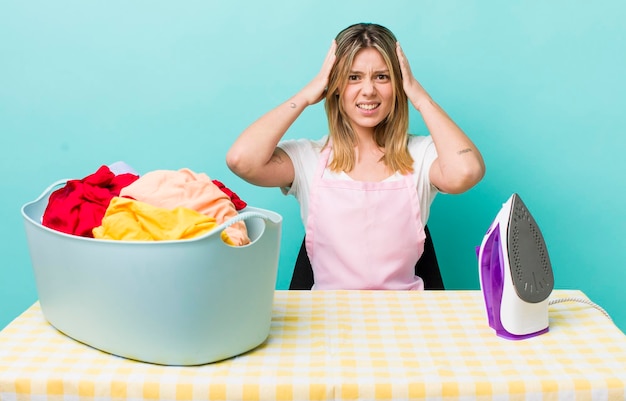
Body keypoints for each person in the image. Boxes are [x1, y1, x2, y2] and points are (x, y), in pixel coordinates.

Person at [226, 23, 485, 290]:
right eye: (353, 77)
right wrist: (306, 94)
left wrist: (420, 97)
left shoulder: (420, 155)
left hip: (406, 316)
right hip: (326, 317)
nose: (369, 90)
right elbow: (241, 160)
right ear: (334, 85)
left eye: (382, 77)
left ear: (399, 84)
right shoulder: (309, 158)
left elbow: (466, 172)